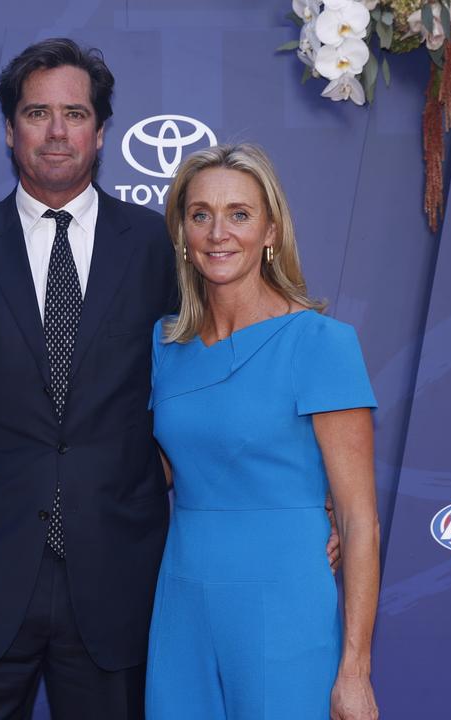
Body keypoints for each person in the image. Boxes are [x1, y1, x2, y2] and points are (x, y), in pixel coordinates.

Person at [0, 38, 178, 719]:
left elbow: (212, 393)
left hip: (120, 585)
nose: (56, 130)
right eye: (36, 112)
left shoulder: (159, 250)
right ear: (11, 129)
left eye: (74, 112)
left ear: (101, 131)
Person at [145, 144, 381, 720]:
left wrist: (355, 669)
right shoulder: (164, 345)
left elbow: (358, 519)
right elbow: (158, 473)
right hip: (182, 598)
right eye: (200, 214)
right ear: (182, 231)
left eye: (240, 214)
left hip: (286, 598)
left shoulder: (320, 343)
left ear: (271, 231)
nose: (218, 232)